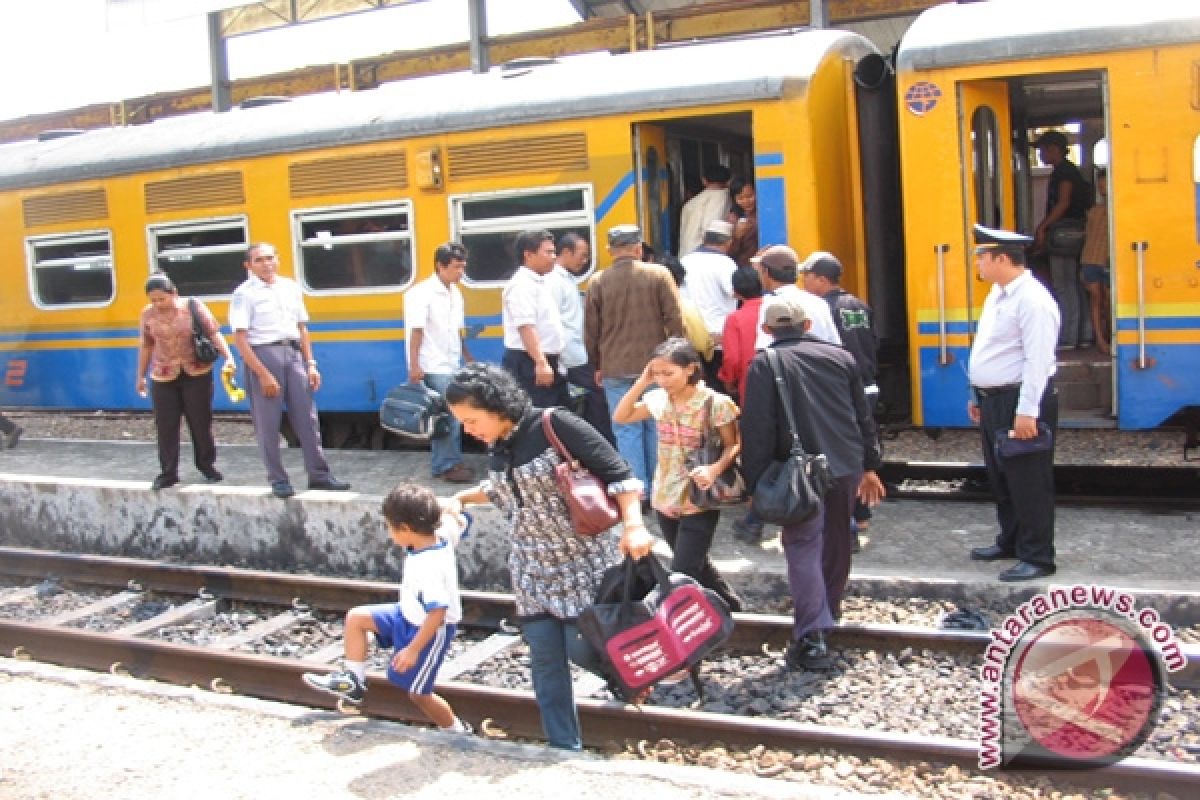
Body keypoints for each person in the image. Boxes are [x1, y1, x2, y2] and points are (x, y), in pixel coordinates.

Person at [442, 363, 654, 750]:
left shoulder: (555, 425)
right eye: (463, 423)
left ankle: (630, 678)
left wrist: (634, 525)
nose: (469, 430)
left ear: (496, 405)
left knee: (582, 647)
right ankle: (563, 746)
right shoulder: (499, 444)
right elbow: (506, 488)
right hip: (531, 567)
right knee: (545, 658)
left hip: (584, 562)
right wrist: (460, 497)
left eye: (472, 420)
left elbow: (619, 473)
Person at [740, 296, 885, 669]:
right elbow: (863, 417)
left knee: (802, 545)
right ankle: (828, 609)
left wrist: (755, 483)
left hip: (796, 471)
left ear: (768, 330)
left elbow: (757, 429)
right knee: (837, 541)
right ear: (807, 325)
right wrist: (871, 465)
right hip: (845, 463)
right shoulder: (841, 358)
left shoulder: (764, 363)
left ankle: (812, 635)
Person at [302, 483, 473, 734]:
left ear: (405, 528)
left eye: (389, 526)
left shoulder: (429, 567)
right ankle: (354, 680)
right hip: (406, 612)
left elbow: (437, 612)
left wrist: (413, 650)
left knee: (419, 694)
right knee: (357, 618)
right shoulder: (441, 534)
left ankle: (456, 731)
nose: (388, 531)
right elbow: (456, 518)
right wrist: (460, 503)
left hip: (429, 630)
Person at [610, 338, 743, 612]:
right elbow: (621, 417)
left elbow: (734, 444)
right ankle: (733, 609)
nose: (662, 380)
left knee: (683, 570)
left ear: (690, 369)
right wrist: (642, 382)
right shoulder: (657, 399)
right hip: (664, 492)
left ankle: (684, 628)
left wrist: (714, 469)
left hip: (699, 495)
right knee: (696, 562)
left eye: (668, 373)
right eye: (656, 373)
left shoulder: (715, 403)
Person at [967, 224, 1060, 582]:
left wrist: (1027, 411)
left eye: (982, 257)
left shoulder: (1033, 300)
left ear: (1002, 258)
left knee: (1028, 480)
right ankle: (1011, 540)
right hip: (995, 400)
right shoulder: (999, 294)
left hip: (1018, 400)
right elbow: (990, 348)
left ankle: (1037, 556)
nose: (977, 263)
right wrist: (978, 395)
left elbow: (1037, 360)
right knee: (1002, 477)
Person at [229, 243, 351, 499]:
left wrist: (311, 364)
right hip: (263, 354)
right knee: (268, 424)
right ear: (248, 266)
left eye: (270, 258)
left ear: (278, 259)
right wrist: (262, 374)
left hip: (292, 353)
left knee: (308, 418)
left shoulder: (290, 287)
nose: (266, 264)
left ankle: (319, 475)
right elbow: (241, 338)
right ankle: (278, 479)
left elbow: (302, 328)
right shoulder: (244, 294)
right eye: (259, 260)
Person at [584, 224, 685, 497]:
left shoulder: (598, 281)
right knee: (656, 423)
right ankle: (660, 487)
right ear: (639, 248)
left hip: (614, 367)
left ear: (609, 251)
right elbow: (675, 320)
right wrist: (678, 359)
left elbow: (591, 330)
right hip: (656, 368)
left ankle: (636, 490)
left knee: (626, 429)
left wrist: (596, 365)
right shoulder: (659, 275)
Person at [800, 251, 880, 548]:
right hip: (868, 383)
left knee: (843, 452)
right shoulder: (859, 305)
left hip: (842, 389)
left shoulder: (823, 309)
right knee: (862, 445)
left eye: (806, 276)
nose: (804, 282)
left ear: (821, 279)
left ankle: (853, 516)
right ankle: (861, 513)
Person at [135, 272, 235, 490]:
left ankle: (206, 465)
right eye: (153, 300)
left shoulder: (192, 306)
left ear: (174, 293)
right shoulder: (147, 315)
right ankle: (168, 472)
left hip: (196, 373)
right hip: (163, 375)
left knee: (200, 422)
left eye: (162, 298)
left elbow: (213, 332)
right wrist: (140, 376)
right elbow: (146, 345)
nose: (158, 304)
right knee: (166, 425)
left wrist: (228, 357)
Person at [405, 242, 475, 483]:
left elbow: (457, 331)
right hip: (432, 364)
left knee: (450, 415)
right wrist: (414, 366)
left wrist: (467, 357)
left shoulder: (455, 293)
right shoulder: (421, 293)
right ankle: (446, 465)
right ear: (440, 266)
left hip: (451, 363)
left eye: (463, 267)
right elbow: (416, 332)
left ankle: (448, 462)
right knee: (446, 416)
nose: (461, 272)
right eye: (456, 267)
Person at [548, 232, 614, 444]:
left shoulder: (566, 279)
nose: (584, 261)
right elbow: (554, 322)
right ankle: (602, 443)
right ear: (566, 252)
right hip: (569, 355)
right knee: (597, 395)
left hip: (577, 353)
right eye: (582, 255)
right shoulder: (554, 281)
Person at [1032, 130, 1092, 350]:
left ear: (1053, 149)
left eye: (1042, 149)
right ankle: (1084, 334)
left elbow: (1063, 202)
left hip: (1064, 234)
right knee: (1074, 284)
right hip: (1075, 232)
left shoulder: (1064, 172)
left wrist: (1043, 226)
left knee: (1063, 284)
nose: (1040, 154)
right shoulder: (1070, 171)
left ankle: (1068, 336)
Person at [501, 229, 568, 409]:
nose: (553, 257)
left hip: (544, 360)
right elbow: (526, 327)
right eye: (548, 252)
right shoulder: (521, 285)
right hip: (529, 362)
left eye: (554, 252)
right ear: (528, 255)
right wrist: (541, 362)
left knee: (554, 415)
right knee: (536, 416)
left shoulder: (539, 282)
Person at [680, 218, 738, 393]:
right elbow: (735, 291)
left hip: (692, 337)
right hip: (719, 338)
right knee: (718, 390)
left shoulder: (685, 260)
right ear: (728, 243)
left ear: (704, 239)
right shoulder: (726, 264)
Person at [751, 245, 841, 349]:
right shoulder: (819, 303)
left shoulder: (770, 304)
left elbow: (764, 347)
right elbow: (835, 344)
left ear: (766, 272)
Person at [717, 267, 765, 404]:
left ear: (735, 292)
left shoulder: (735, 318)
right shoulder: (774, 309)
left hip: (749, 382)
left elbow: (732, 358)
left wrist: (728, 380)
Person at [661, 254, 716, 368]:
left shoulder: (640, 304)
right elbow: (702, 344)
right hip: (675, 367)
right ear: (680, 280)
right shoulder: (686, 307)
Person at [1080, 168, 1112, 356]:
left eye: (1104, 182)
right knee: (1098, 300)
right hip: (1093, 259)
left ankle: (1107, 337)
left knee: (1105, 301)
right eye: (1100, 183)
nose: (1102, 187)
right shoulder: (1096, 211)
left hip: (1098, 260)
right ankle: (1101, 340)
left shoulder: (1098, 211)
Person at [678, 164, 732, 257]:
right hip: (705, 255)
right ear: (728, 182)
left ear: (704, 180)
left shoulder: (690, 203)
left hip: (685, 255)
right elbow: (709, 229)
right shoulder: (723, 196)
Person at [725, 176, 759, 268]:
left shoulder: (764, 213)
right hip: (744, 267)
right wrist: (737, 236)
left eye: (750, 196)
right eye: (740, 198)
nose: (746, 201)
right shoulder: (733, 219)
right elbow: (727, 252)